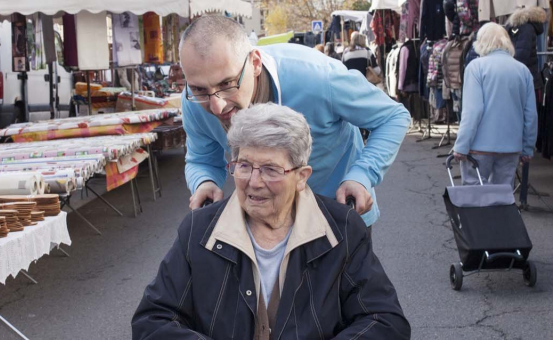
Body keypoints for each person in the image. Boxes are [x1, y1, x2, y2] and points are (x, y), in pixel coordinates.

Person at [132, 104, 411, 340]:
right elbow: (152, 320)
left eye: (270, 169)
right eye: (244, 166)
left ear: (301, 176)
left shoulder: (342, 231)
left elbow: (385, 320)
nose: (254, 182)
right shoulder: (198, 232)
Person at [180, 16, 410, 228]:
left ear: (255, 63)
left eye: (227, 83)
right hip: (265, 229)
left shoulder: (317, 77)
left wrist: (362, 176)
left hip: (339, 216)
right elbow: (201, 159)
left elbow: (392, 117)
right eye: (199, 89)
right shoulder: (192, 101)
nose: (216, 106)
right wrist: (204, 182)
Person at [453, 23, 538, 187]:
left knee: (474, 195)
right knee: (502, 197)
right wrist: (527, 147)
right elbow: (530, 114)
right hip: (511, 147)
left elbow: (472, 111)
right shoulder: (522, 70)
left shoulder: (476, 67)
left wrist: (461, 145)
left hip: (479, 146)